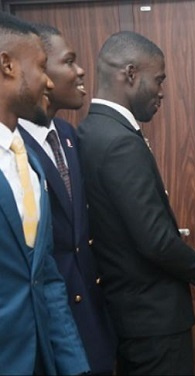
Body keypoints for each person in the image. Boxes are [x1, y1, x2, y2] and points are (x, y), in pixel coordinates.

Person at [77, 31, 195, 375]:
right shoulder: (119, 142)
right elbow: (155, 241)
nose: (161, 91)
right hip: (152, 322)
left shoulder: (90, 131)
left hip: (126, 314)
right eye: (158, 79)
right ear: (130, 74)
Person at [17, 23, 117, 375]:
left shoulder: (69, 135)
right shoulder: (12, 148)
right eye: (69, 61)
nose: (80, 71)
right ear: (41, 70)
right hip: (44, 330)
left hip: (90, 318)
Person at [0, 11, 89, 375]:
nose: (48, 84)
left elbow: (45, 276)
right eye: (40, 67)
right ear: (7, 65)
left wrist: (74, 365)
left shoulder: (30, 164)